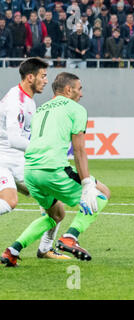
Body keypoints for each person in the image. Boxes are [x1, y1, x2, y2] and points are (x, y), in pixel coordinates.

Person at [1, 72, 111, 267]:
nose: (82, 94)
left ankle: (13, 250)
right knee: (102, 193)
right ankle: (70, 236)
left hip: (31, 172)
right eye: (80, 89)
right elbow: (79, 150)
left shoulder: (40, 109)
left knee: (56, 215)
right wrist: (86, 184)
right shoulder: (75, 109)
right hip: (53, 169)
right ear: (69, 90)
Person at [0, 57, 70, 261]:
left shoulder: (27, 99)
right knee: (9, 201)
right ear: (30, 77)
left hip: (20, 162)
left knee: (57, 210)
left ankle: (45, 249)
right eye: (43, 76)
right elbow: (13, 139)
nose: (46, 81)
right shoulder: (17, 101)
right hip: (4, 160)